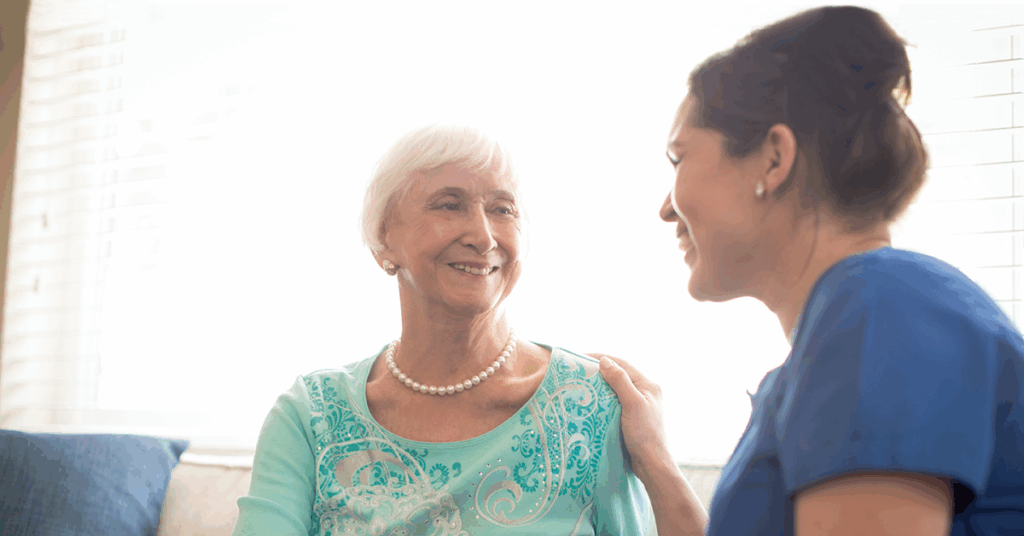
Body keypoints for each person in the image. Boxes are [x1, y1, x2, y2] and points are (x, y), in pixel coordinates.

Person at [598, 6, 1024, 536]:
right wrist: (653, 459)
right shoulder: (851, 333)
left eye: (679, 157)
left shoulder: (881, 311)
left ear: (774, 159)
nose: (666, 207)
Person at [232, 125, 653, 536]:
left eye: (502, 209)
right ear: (384, 237)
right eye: (449, 205)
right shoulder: (311, 416)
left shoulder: (587, 403)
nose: (483, 236)